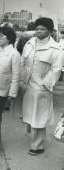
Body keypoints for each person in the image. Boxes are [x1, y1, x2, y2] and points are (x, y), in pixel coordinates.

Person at [21, 17, 63, 155]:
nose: (39, 31)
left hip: (42, 88)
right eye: (37, 28)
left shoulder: (56, 49)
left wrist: (45, 84)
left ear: (49, 31)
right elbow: (23, 61)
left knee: (40, 117)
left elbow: (56, 70)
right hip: (27, 85)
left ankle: (37, 146)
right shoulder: (30, 43)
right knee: (30, 115)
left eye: (42, 29)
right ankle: (33, 138)